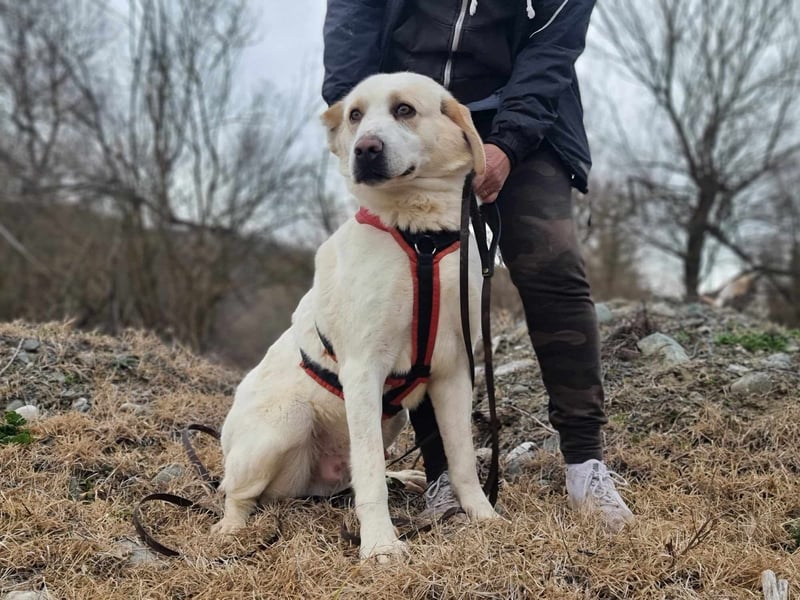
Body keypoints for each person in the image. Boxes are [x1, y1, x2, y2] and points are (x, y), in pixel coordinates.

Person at [322, 0, 634, 531]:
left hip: (522, 116)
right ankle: (444, 474)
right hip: (408, 111)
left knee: (551, 263)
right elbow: (354, 18)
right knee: (416, 290)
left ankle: (585, 462)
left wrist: (507, 142)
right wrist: (357, 120)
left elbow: (552, 48)